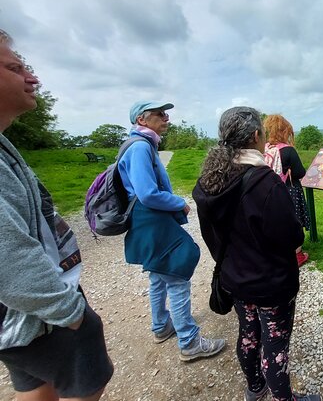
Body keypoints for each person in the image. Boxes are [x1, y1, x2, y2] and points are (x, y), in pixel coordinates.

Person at [0, 29, 114, 400]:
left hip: (22, 318)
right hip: (43, 313)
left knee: (36, 384)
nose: (33, 78)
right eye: (16, 68)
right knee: (84, 387)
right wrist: (72, 313)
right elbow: (8, 255)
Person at [193, 106, 321, 401]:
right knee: (275, 343)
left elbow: (209, 234)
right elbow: (291, 236)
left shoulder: (210, 181)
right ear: (255, 135)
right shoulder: (263, 182)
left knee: (248, 335)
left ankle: (255, 388)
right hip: (271, 282)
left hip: (236, 279)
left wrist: (229, 263)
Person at [119, 100, 226, 360]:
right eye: (160, 114)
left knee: (158, 273)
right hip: (152, 219)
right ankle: (189, 342)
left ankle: (161, 326)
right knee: (177, 273)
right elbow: (147, 193)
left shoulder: (139, 145)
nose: (166, 117)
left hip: (145, 220)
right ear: (142, 120)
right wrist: (178, 203)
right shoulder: (141, 148)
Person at [263, 114, 311, 267]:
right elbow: (300, 173)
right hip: (290, 191)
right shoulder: (288, 151)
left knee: (278, 222)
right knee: (294, 222)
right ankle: (297, 255)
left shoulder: (265, 149)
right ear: (284, 131)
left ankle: (279, 253)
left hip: (270, 192)